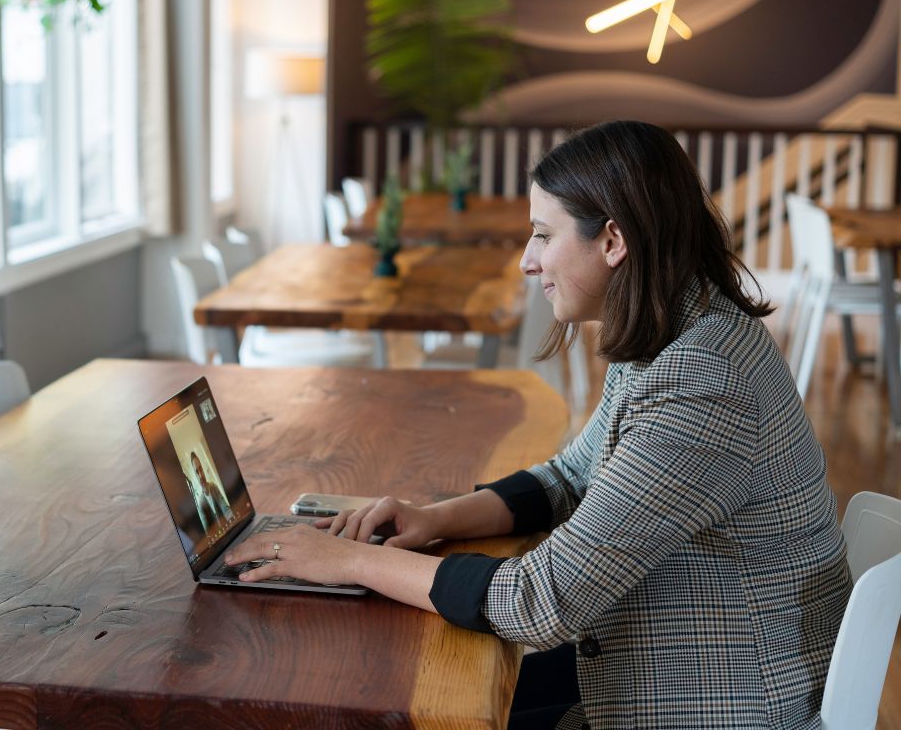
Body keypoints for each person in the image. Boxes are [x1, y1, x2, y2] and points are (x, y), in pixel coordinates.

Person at [225, 120, 852, 730]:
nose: (528, 261)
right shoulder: (678, 332)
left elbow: (540, 600)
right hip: (663, 663)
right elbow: (570, 478)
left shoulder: (707, 380)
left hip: (724, 703)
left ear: (612, 240)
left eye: (543, 235)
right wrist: (434, 518)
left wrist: (346, 563)